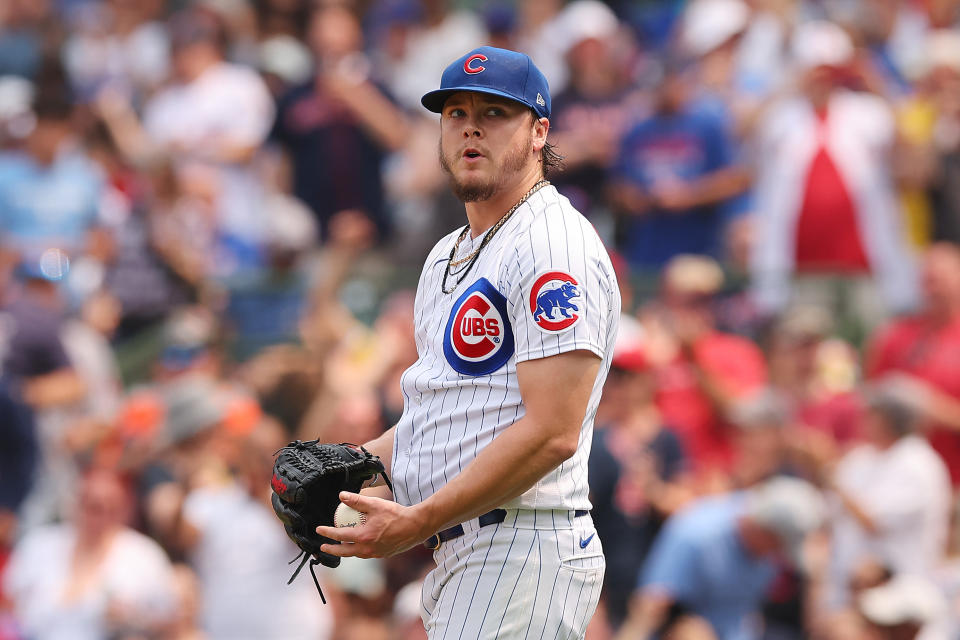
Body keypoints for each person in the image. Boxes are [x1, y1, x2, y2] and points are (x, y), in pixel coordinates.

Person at [313, 46, 620, 639]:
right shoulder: (448, 254)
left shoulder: (550, 244)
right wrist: (350, 468)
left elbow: (553, 431)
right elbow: (447, 417)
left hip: (523, 547)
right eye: (455, 112)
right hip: (475, 553)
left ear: (539, 132)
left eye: (495, 112)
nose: (471, 126)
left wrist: (418, 520)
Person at [615, 476, 826, 640]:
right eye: (778, 546)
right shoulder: (696, 533)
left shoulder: (765, 534)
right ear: (765, 532)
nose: (778, 555)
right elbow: (650, 606)